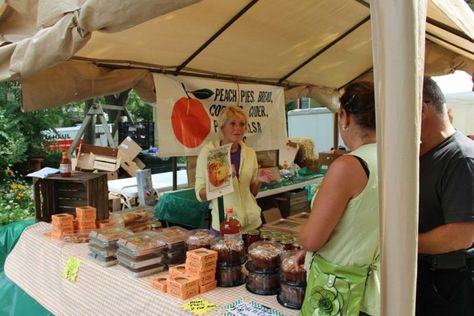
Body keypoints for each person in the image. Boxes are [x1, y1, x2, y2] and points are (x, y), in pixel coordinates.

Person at [297, 81, 380, 316]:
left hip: (342, 290)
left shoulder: (348, 166)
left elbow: (311, 239)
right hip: (381, 287)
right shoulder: (397, 158)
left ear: (344, 116)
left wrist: (305, 238)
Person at [416, 77, 474, 316]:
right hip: (429, 276)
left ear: (420, 109)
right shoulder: (424, 153)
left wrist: (394, 246)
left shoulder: (460, 157)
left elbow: (461, 236)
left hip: (448, 283)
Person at [194, 105, 272, 233]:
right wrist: (224, 180)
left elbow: (251, 193)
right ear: (222, 127)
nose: (238, 129)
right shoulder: (210, 154)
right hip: (226, 226)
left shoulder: (250, 153)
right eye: (232, 124)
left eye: (242, 124)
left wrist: (258, 181)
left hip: (253, 224)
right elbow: (200, 195)